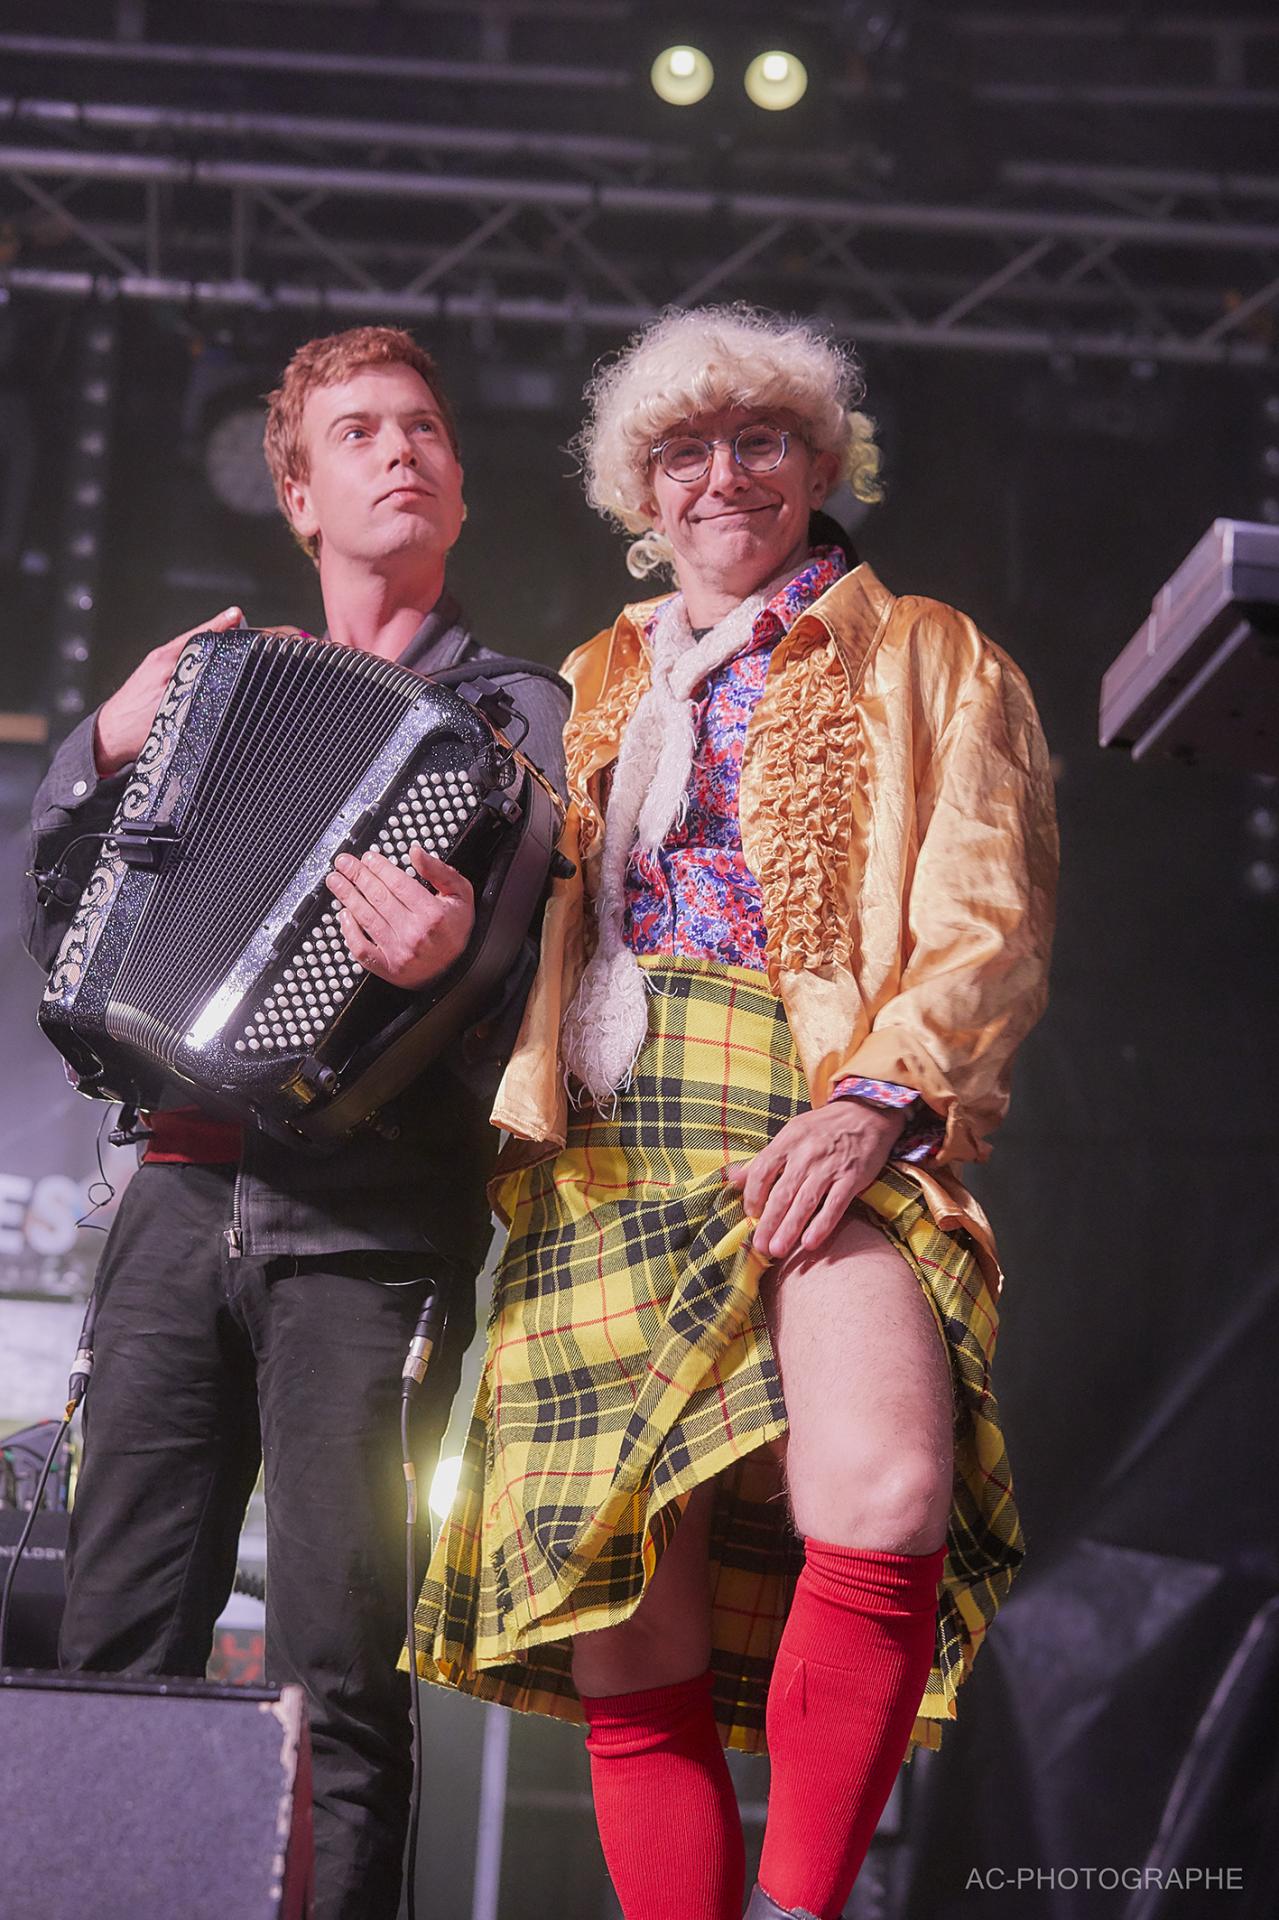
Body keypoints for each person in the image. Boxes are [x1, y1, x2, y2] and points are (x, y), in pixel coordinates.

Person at [410, 305, 1058, 1920]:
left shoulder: (929, 651)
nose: (724, 478)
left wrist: (876, 1105)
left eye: (761, 441)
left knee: (886, 1498)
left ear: (822, 464)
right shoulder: (590, 678)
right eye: (684, 452)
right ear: (640, 492)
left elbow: (989, 921)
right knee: (633, 1627)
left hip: (821, 1107)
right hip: (605, 1146)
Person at [21, 325, 567, 1920]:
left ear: (459, 488)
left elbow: (537, 996)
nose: (400, 450)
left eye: (424, 429)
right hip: (177, 1199)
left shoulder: (521, 716)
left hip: (370, 1221)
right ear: (300, 497)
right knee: (114, 1644)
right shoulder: (214, 686)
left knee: (339, 1669)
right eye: (359, 432)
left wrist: (452, 967)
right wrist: (100, 746)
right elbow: (72, 921)